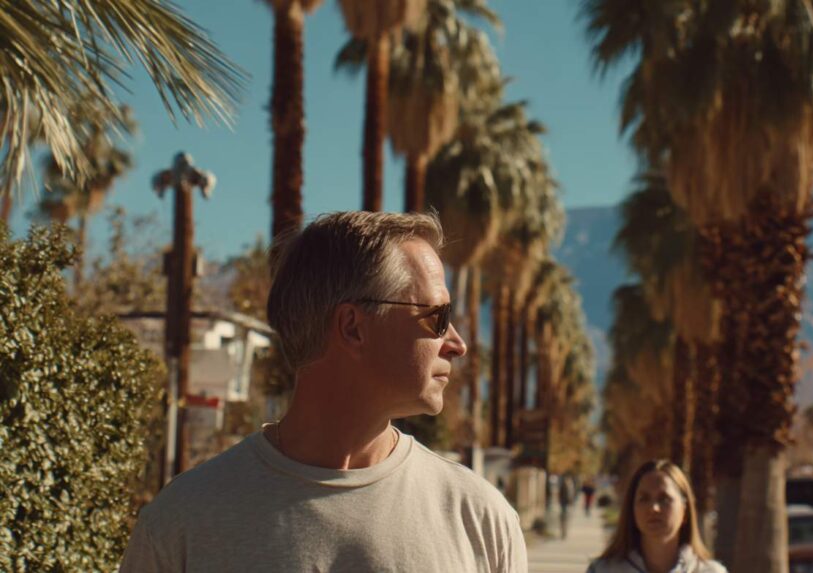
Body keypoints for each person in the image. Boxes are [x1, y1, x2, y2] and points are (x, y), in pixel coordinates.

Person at [120, 211, 528, 572]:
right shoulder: (183, 524)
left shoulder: (480, 519)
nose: (457, 343)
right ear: (353, 327)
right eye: (438, 316)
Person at [587, 460, 726, 573]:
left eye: (664, 499)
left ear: (685, 509)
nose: (654, 508)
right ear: (632, 509)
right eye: (644, 499)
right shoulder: (603, 570)